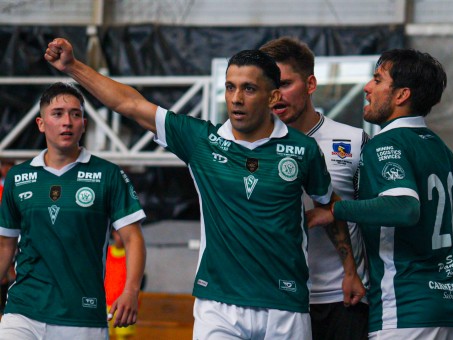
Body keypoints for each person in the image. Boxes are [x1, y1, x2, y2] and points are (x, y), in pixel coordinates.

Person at [45, 38, 334, 340]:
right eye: (230, 87)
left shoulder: (304, 149)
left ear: (273, 95)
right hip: (218, 306)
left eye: (248, 88)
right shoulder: (201, 141)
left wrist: (346, 263)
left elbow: (329, 203)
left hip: (285, 306)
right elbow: (128, 103)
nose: (236, 98)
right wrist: (72, 67)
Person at [306, 49, 453, 339]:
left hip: (407, 309)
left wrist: (335, 210)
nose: (367, 88)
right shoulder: (439, 147)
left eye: (377, 79)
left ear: (401, 95)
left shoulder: (387, 143)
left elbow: (405, 208)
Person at [0, 82, 147, 340]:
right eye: (57, 114)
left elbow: (133, 238)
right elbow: (5, 245)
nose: (67, 121)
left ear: (84, 124)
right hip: (23, 311)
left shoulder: (108, 175)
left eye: (75, 114)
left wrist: (131, 291)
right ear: (41, 123)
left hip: (83, 316)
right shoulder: (18, 176)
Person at [260, 37, 369, 340]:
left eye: (284, 84)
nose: (276, 95)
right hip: (278, 300)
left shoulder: (354, 142)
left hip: (343, 298)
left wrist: (356, 275)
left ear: (310, 84)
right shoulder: (251, 147)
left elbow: (376, 221)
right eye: (269, 86)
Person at [105, 229, 137, 340]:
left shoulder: (132, 257)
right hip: (105, 304)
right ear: (113, 234)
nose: (120, 237)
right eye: (117, 233)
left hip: (123, 305)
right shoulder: (106, 252)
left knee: (122, 337)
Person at [0, 160, 15, 315]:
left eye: (9, 166)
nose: (6, 169)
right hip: (4, 233)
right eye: (4, 166)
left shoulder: (15, 186)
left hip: (11, 233)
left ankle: (6, 304)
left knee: (11, 271)